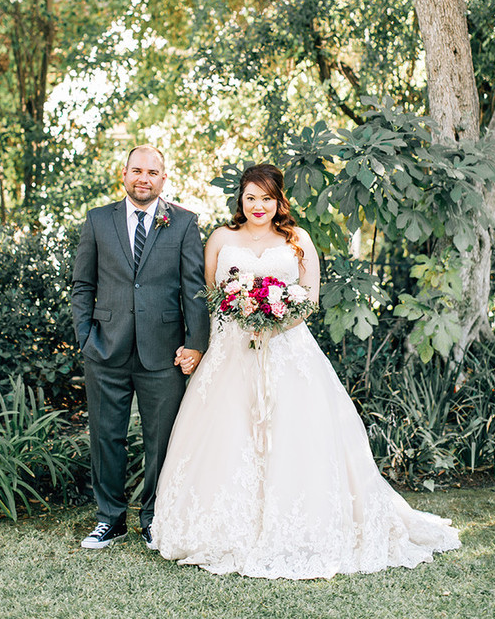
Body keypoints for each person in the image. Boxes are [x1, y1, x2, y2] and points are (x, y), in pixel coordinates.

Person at [151, 163, 461, 579]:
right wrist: (234, 323)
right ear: (240, 200)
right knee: (228, 434)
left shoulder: (297, 239)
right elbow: (210, 295)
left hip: (287, 352)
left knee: (295, 437)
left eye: (267, 198)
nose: (258, 206)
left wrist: (269, 325)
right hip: (230, 355)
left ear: (279, 201)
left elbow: (309, 299)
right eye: (250, 198)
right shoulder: (222, 239)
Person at [71, 145, 210, 549]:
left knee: (162, 439)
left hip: (164, 353)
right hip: (106, 348)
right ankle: (109, 519)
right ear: (124, 174)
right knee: (105, 436)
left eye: (152, 172)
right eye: (136, 170)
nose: (143, 178)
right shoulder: (98, 220)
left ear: (163, 179)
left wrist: (195, 344)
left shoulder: (183, 222)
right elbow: (84, 284)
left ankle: (154, 518)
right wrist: (85, 336)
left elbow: (195, 291)